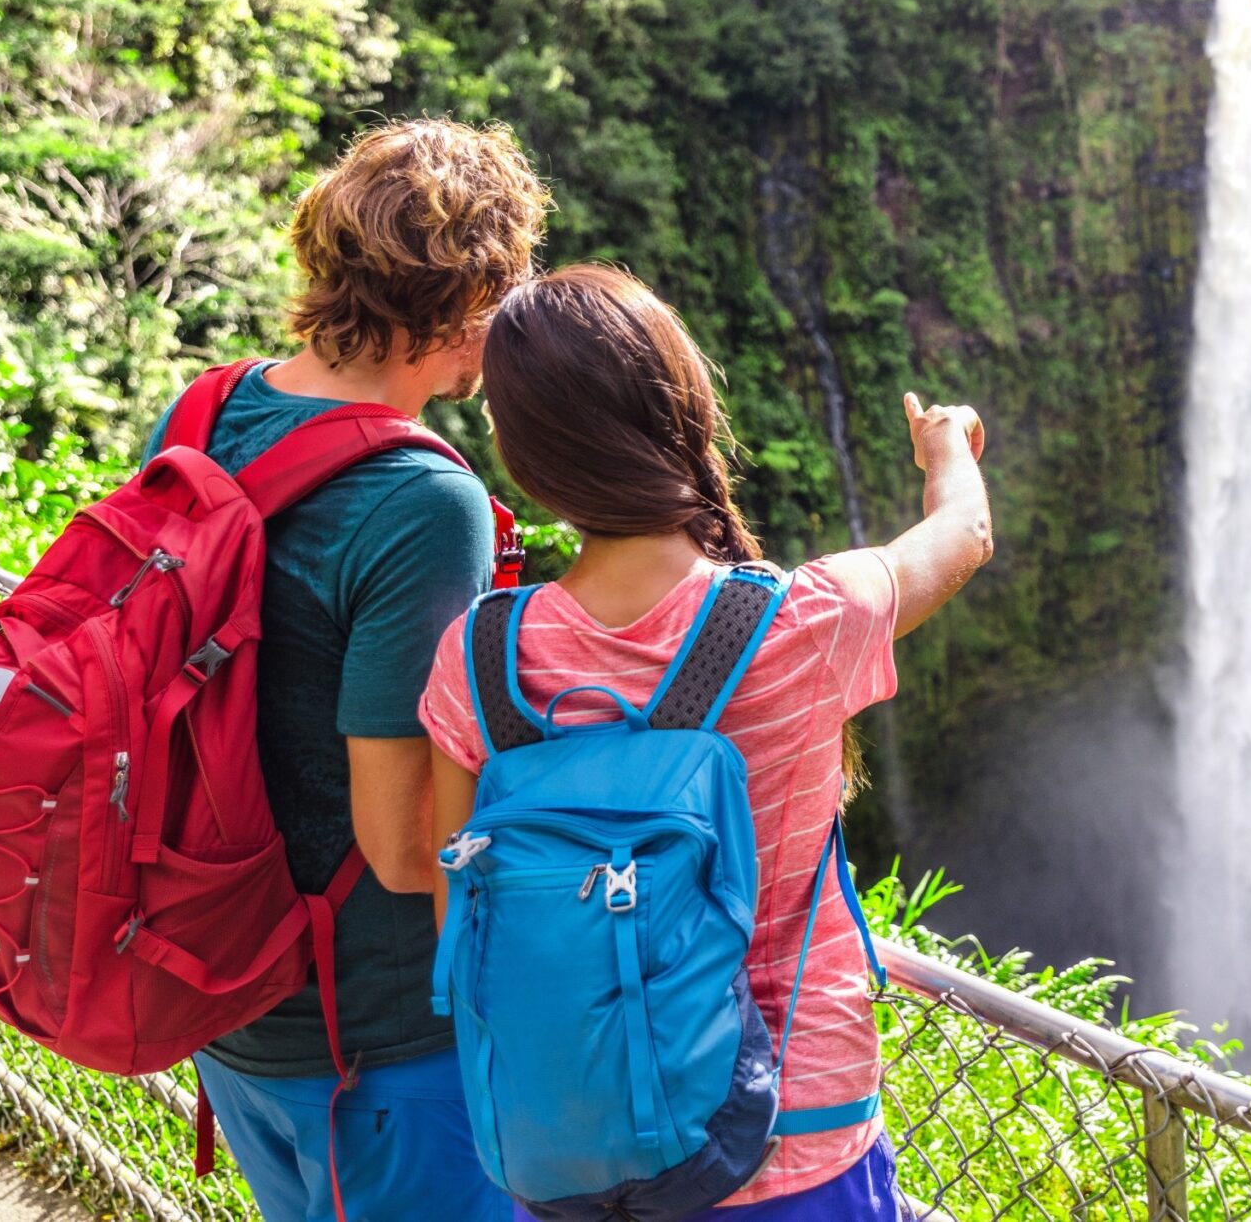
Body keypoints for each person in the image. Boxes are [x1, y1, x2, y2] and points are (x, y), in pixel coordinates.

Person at [417, 263, 993, 1219]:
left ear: (524, 457)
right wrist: (945, 448)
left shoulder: (478, 662)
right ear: (681, 409)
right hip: (796, 1143)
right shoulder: (800, 622)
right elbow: (963, 534)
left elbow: (458, 915)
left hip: (570, 1154)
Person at [144, 118, 549, 1222]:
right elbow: (404, 842)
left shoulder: (203, 408)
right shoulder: (425, 502)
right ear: (471, 307)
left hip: (225, 992)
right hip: (374, 1038)